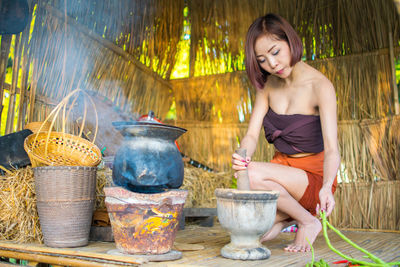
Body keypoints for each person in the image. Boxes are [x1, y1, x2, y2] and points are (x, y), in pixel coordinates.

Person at [232, 13, 340, 253]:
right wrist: (241, 155)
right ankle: (296, 217)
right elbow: (251, 135)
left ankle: (308, 220)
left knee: (252, 173)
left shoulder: (320, 87)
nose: (271, 64)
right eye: (262, 59)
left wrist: (326, 187)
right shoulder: (268, 86)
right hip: (281, 179)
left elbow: (333, 150)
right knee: (253, 230)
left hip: (313, 180)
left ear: (290, 41)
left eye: (275, 52)